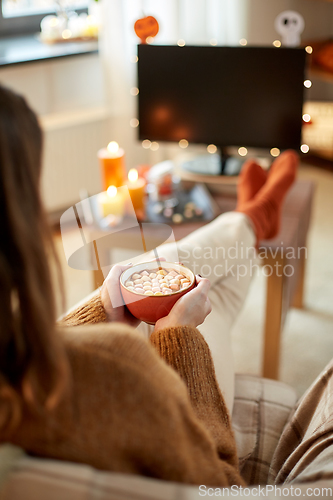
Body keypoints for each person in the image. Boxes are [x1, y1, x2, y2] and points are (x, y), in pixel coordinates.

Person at [0, 83, 318, 490]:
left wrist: (99, 308)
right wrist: (179, 338)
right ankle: (254, 217)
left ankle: (250, 219)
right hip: (188, 402)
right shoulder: (114, 364)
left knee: (179, 271)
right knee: (207, 285)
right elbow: (220, 482)